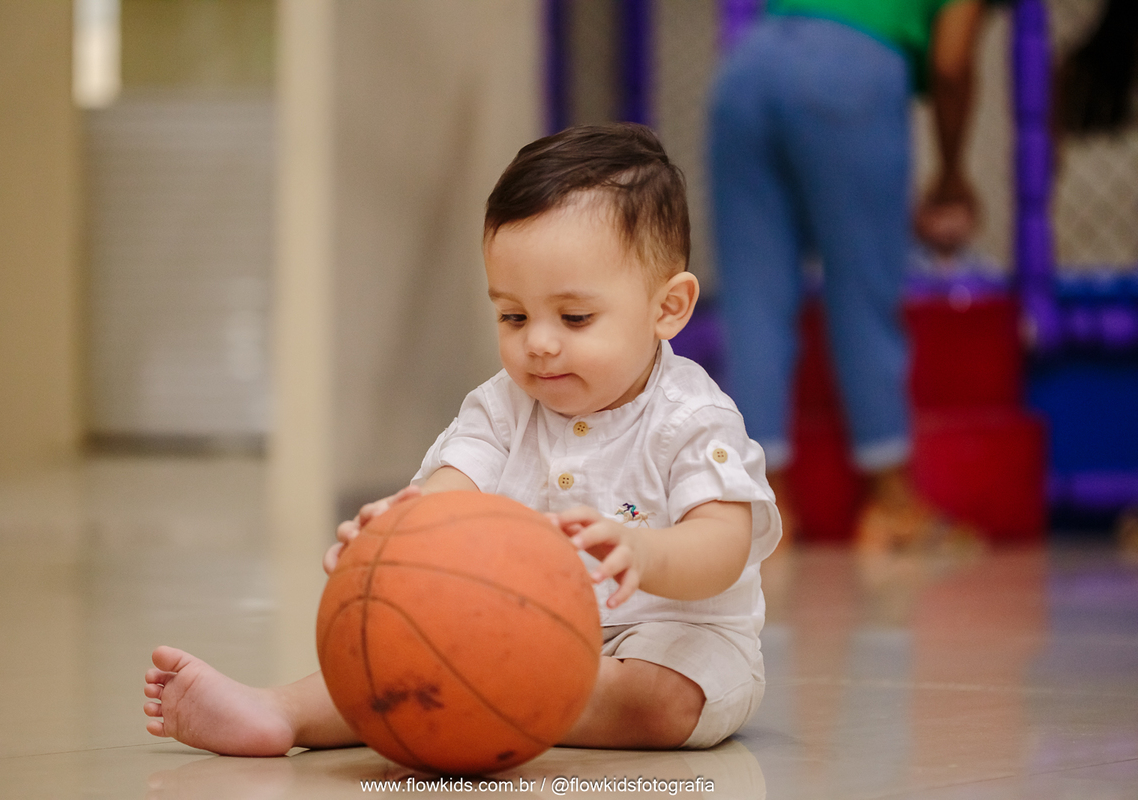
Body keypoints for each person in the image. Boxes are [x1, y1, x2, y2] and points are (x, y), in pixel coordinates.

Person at [143, 123, 782, 754]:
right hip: (519, 633)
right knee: (402, 650)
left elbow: (723, 544)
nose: (539, 342)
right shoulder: (503, 407)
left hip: (668, 639)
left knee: (663, 701)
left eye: (575, 317)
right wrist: (394, 530)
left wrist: (646, 553)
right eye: (513, 315)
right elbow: (451, 490)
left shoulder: (691, 417)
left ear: (668, 308)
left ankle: (493, 702)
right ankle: (280, 712)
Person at [708, 0, 985, 550]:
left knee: (753, 298)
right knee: (864, 287)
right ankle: (892, 505)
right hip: (849, 76)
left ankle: (763, 512)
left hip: (746, 69)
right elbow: (952, 61)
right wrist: (952, 172)